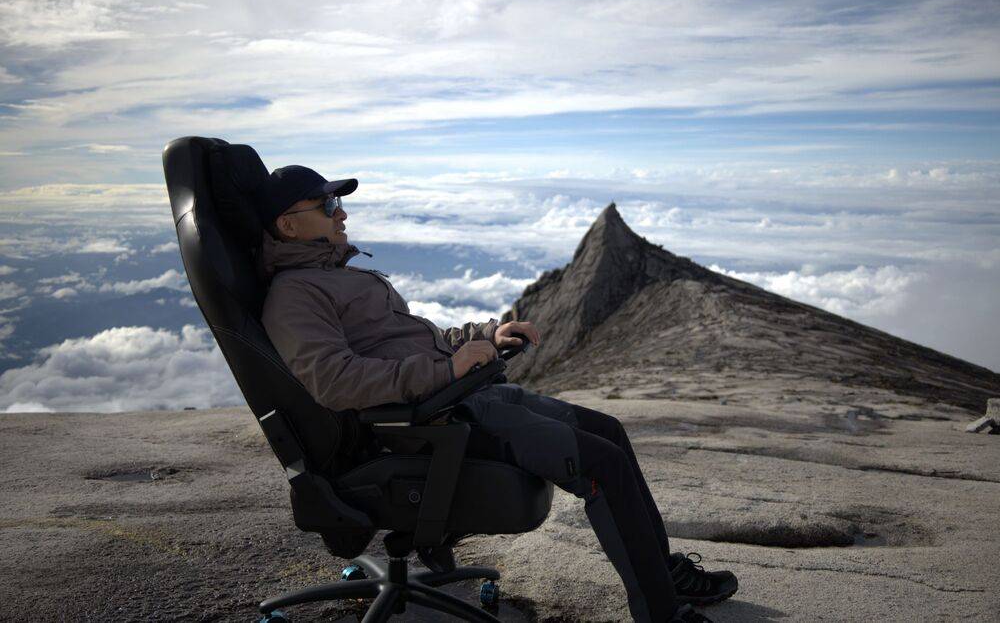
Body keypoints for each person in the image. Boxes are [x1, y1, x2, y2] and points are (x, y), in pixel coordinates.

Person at [253, 165, 738, 623]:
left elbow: (414, 344)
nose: (341, 212)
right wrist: (444, 370)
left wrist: (486, 334)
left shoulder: (338, 275)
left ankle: (662, 572)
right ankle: (661, 611)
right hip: (424, 424)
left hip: (460, 398)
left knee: (607, 430)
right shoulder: (295, 294)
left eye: (337, 201)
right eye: (326, 204)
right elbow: (336, 381)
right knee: (599, 464)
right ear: (288, 226)